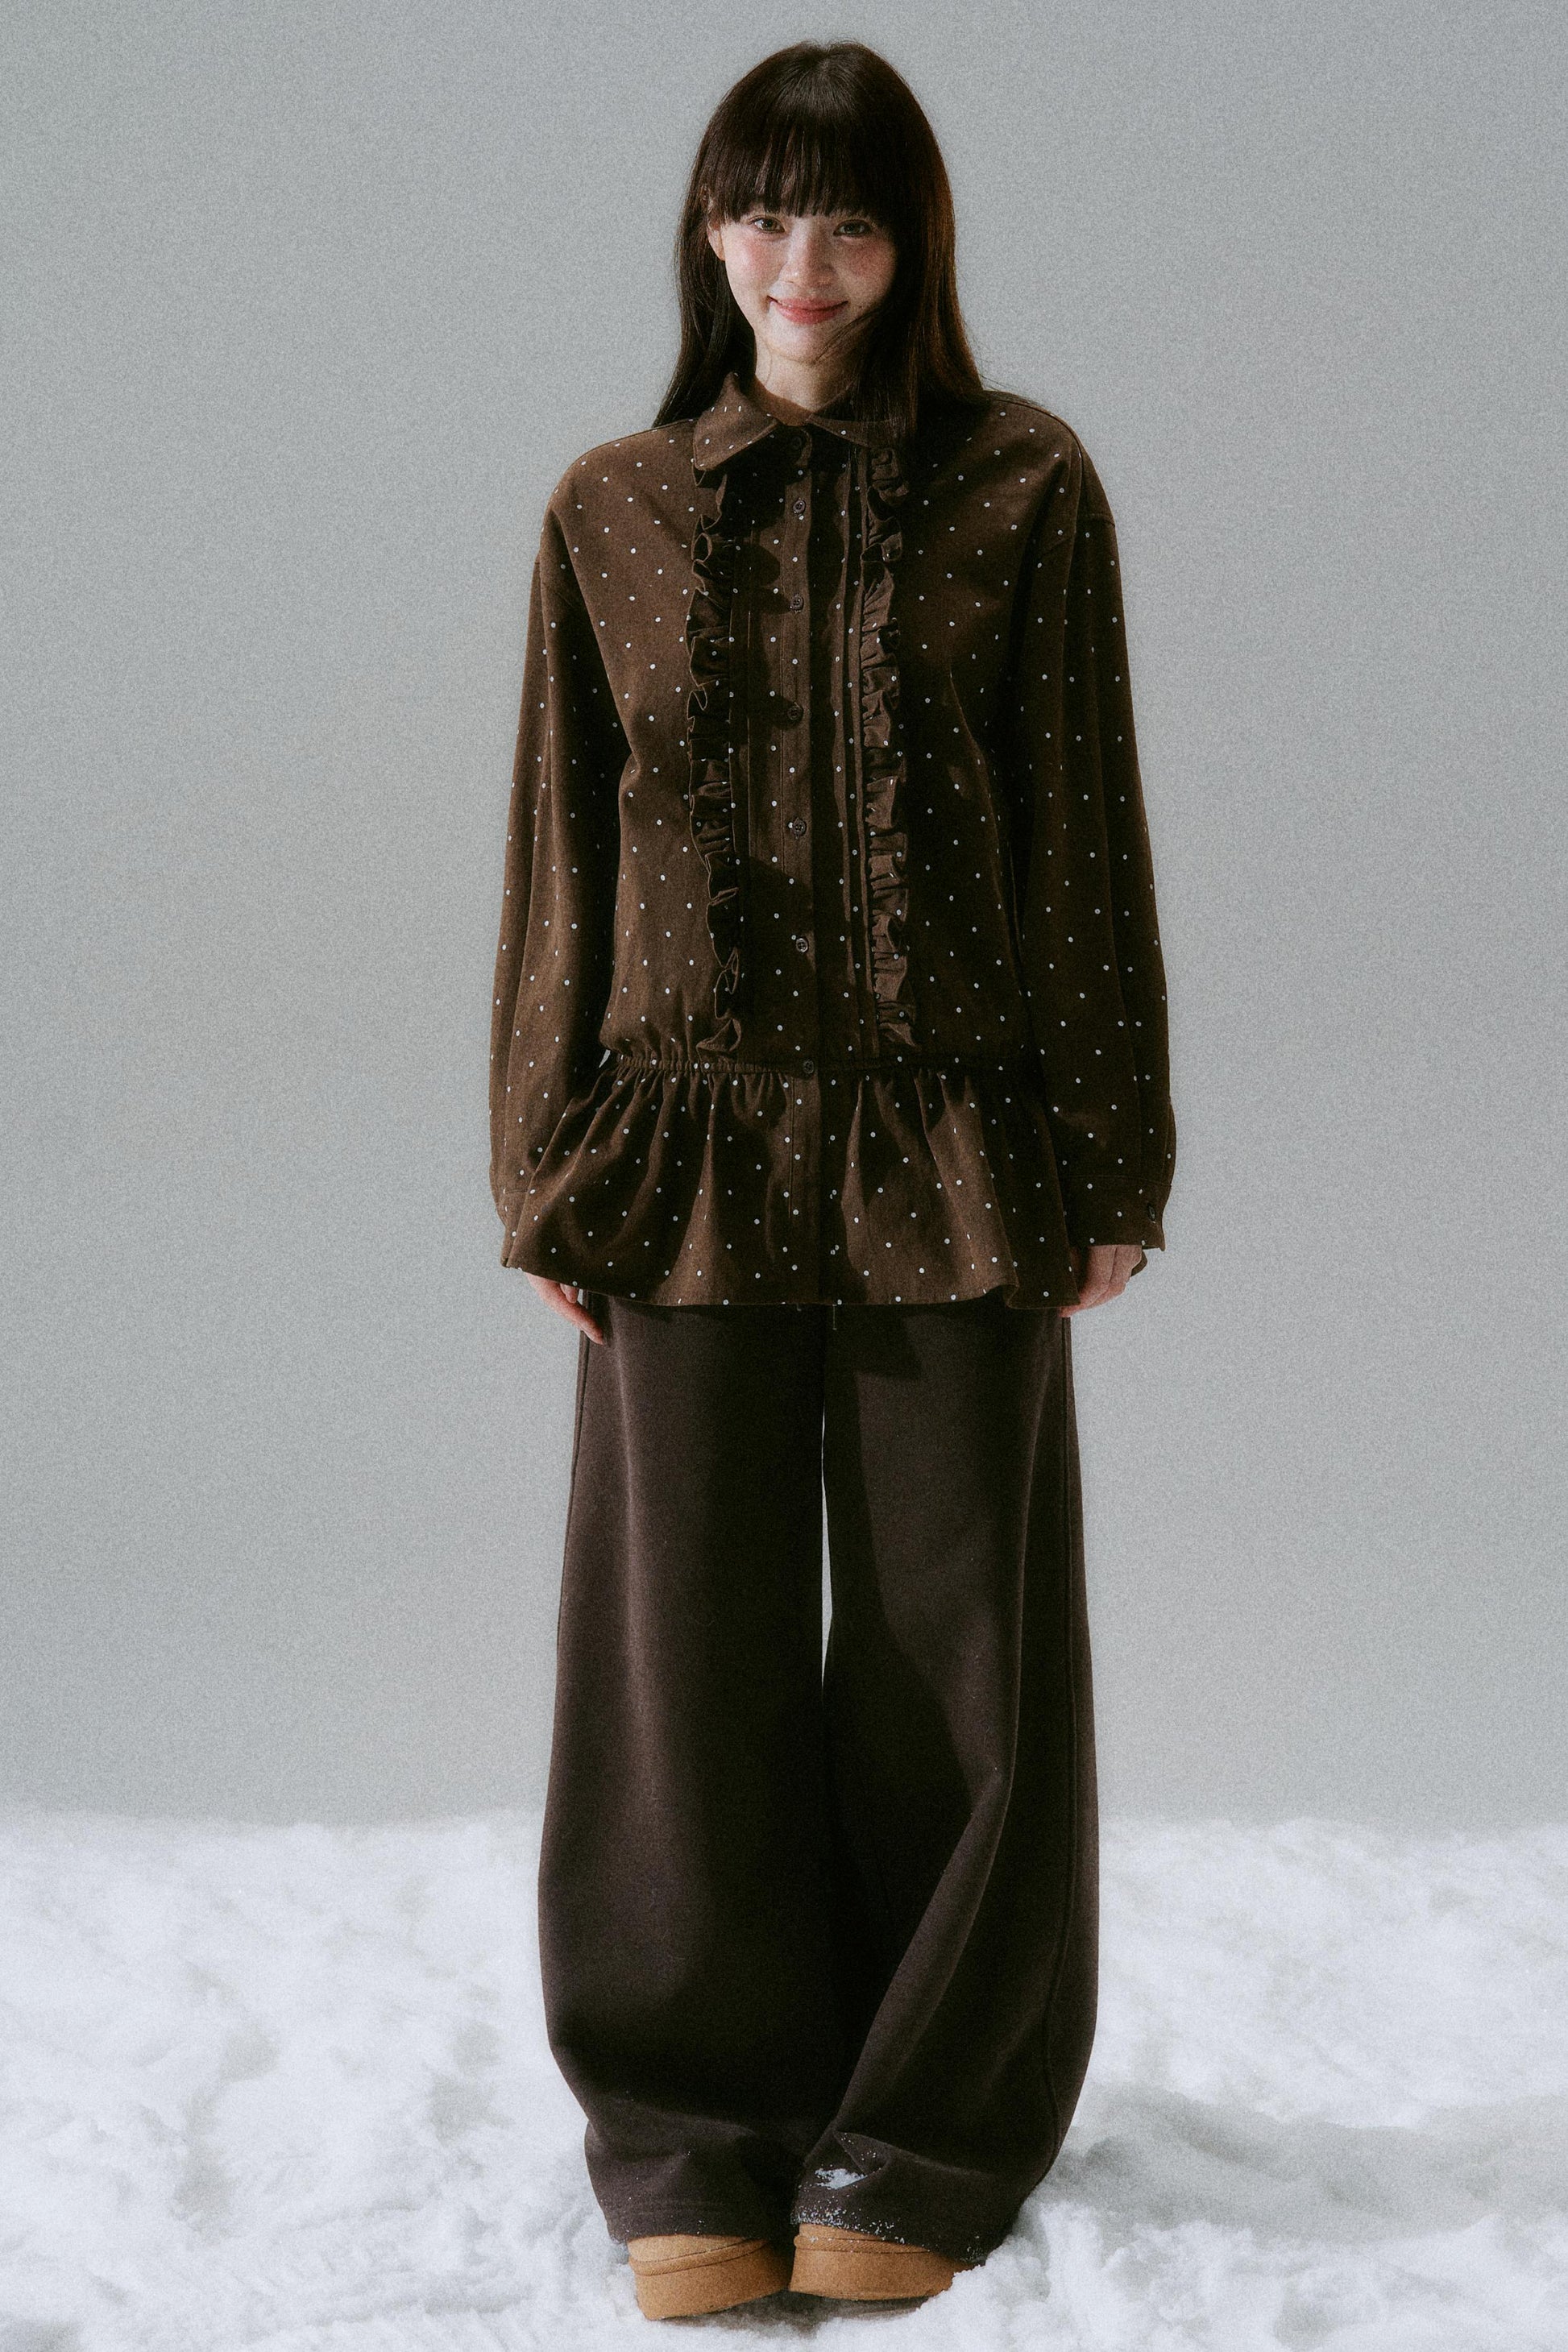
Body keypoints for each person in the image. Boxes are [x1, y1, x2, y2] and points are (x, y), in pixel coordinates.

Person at [487, 38, 1176, 2324]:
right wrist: (546, 1161)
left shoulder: (1022, 482)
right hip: (672, 1145)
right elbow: (562, 853)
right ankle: (690, 2129)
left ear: (912, 248)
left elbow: (1080, 826)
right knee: (675, 1655)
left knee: (950, 1653)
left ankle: (920, 2128)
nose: (807, 264)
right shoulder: (608, 506)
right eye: (767, 216)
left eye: (853, 221)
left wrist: (1107, 1154)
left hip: (951, 1141)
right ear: (711, 235)